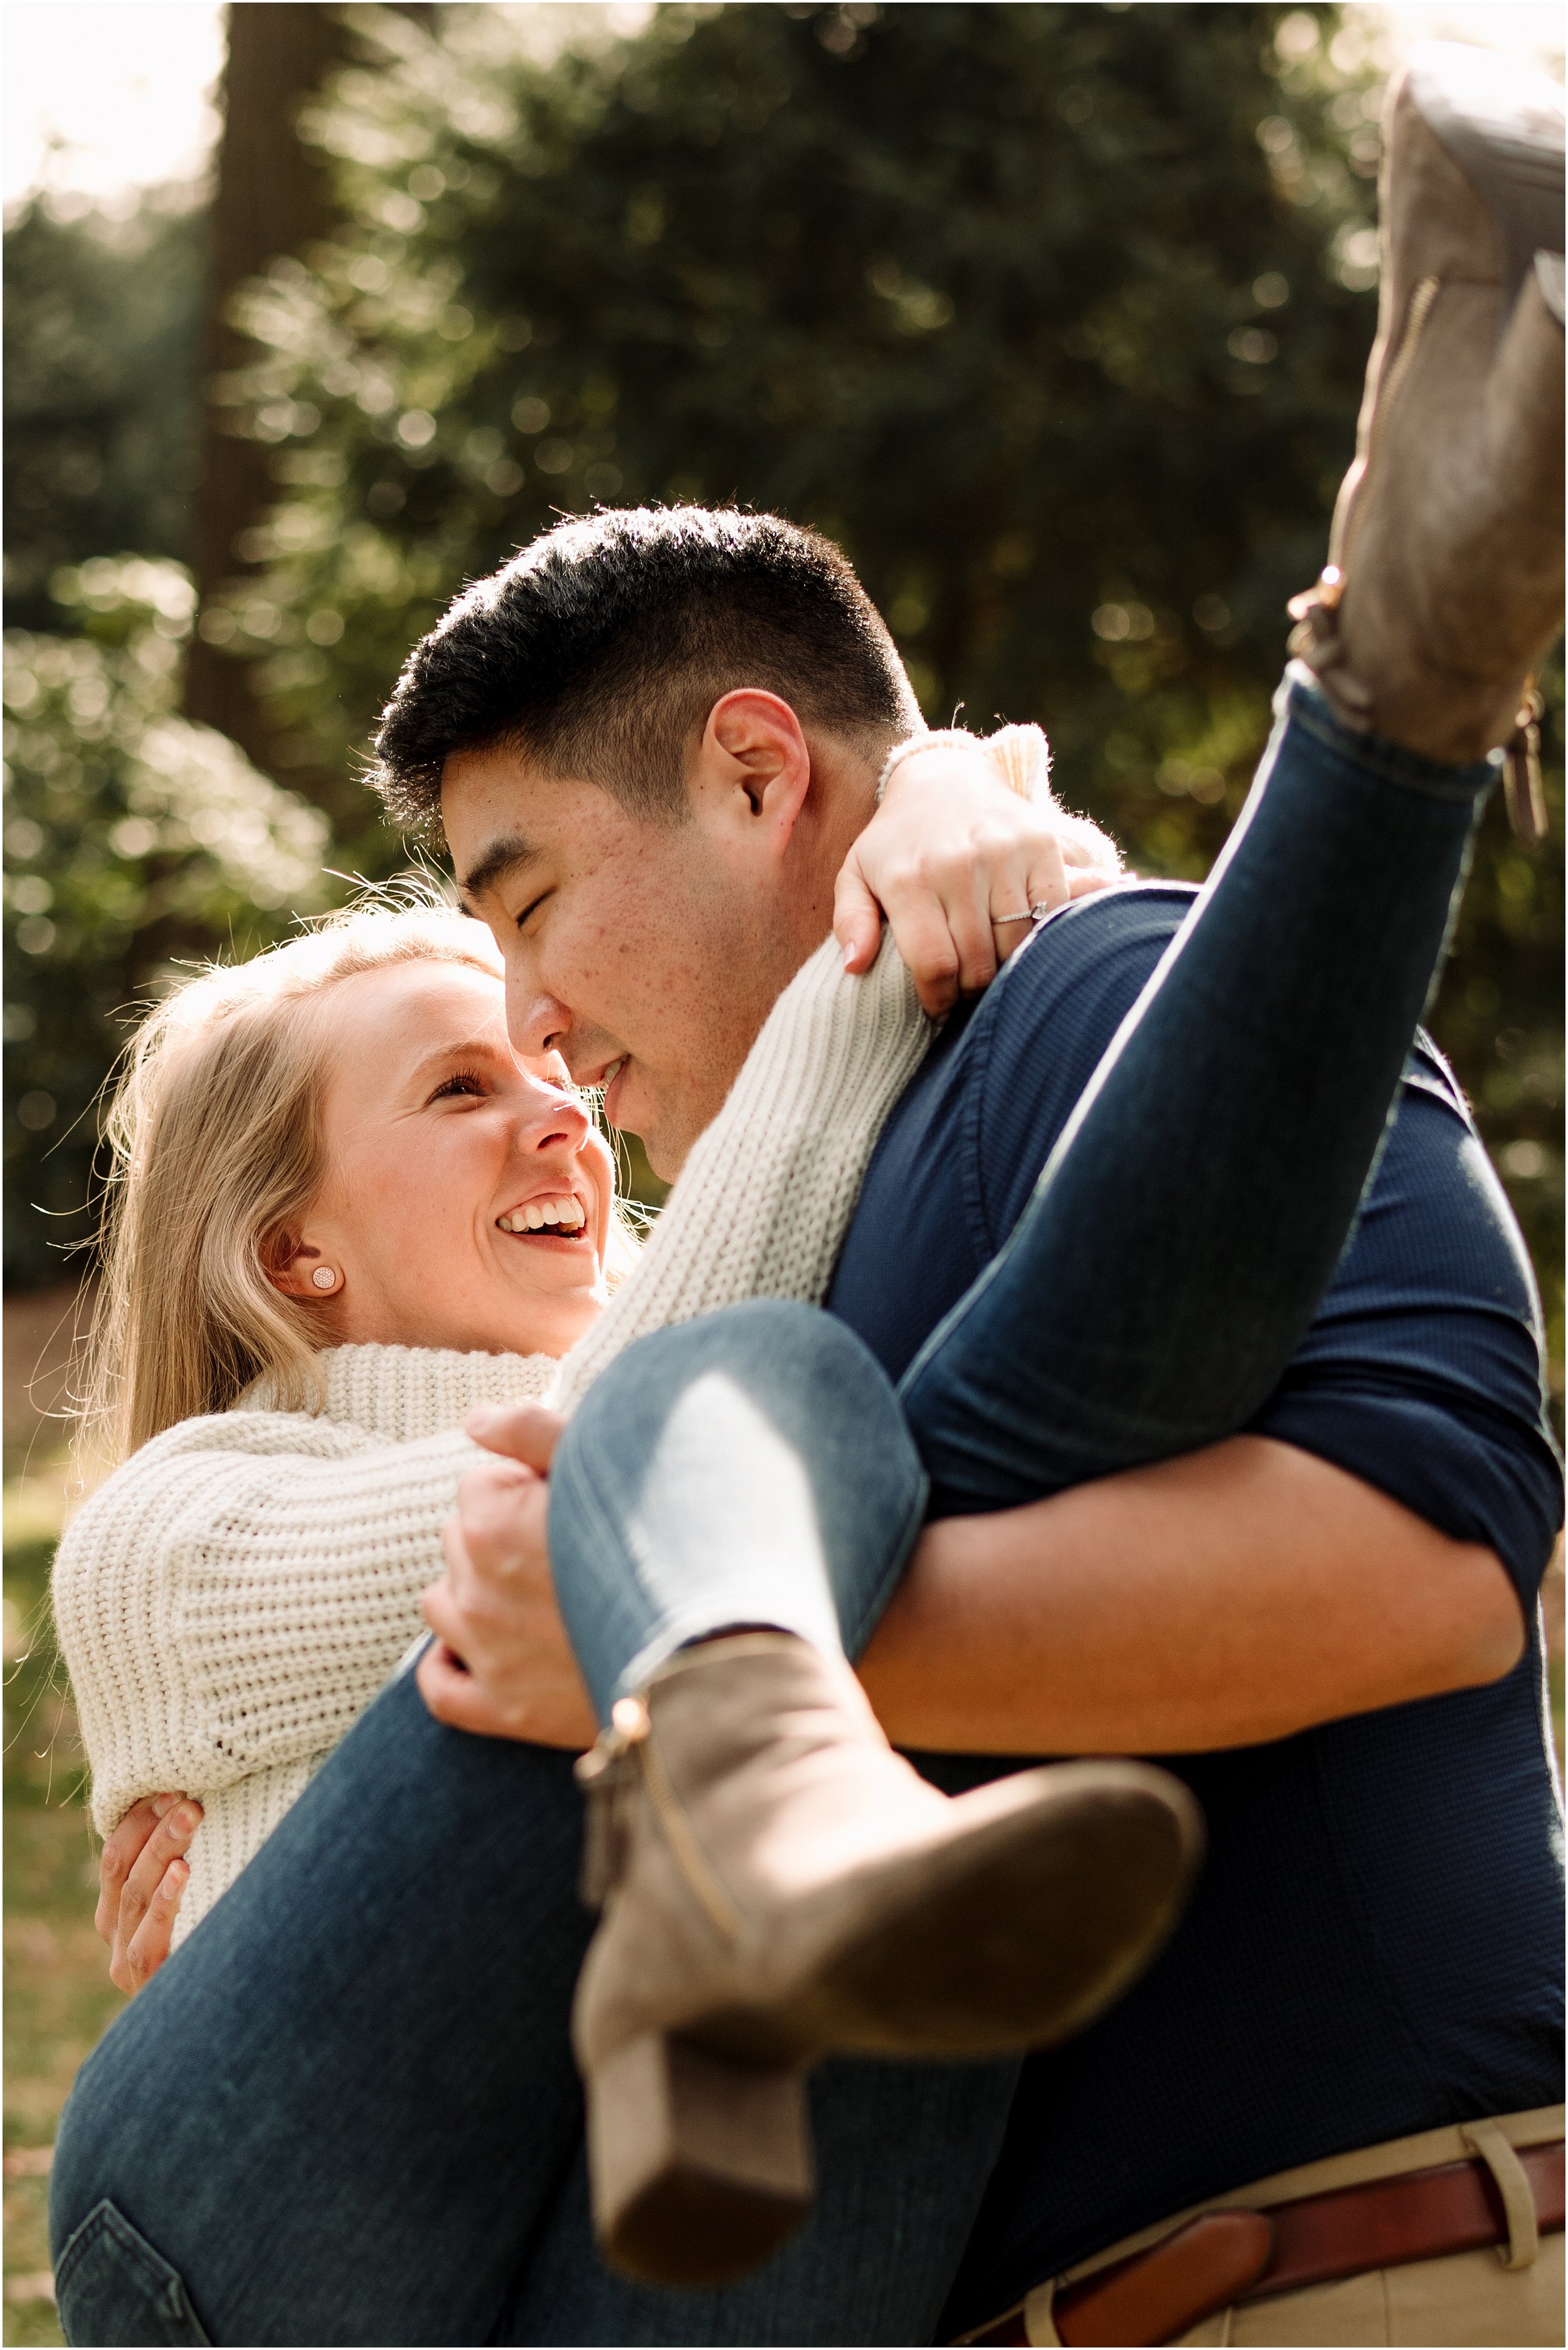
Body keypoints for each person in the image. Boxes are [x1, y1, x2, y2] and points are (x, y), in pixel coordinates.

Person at [53, 45, 1564, 2350]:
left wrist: (718, 1650)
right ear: (290, 1252)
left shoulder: (1095, 999)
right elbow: (647, 1431)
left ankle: (1401, 692)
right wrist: (921, 838)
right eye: (460, 1059)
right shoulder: (205, 1510)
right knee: (759, 1404)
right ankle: (1388, 719)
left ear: (755, 772)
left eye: (530, 905)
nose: (545, 1045)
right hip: (306, 2246)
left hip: (910, 2261)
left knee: (844, 1412)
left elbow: (1433, 1572)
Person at [55, 785, 1118, 1963]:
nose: (568, 1117)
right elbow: (599, 1484)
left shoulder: (698, 1355)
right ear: (291, 1250)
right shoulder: (157, 1543)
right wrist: (897, 883)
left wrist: (952, 814)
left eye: (556, 1073)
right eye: (462, 1087)